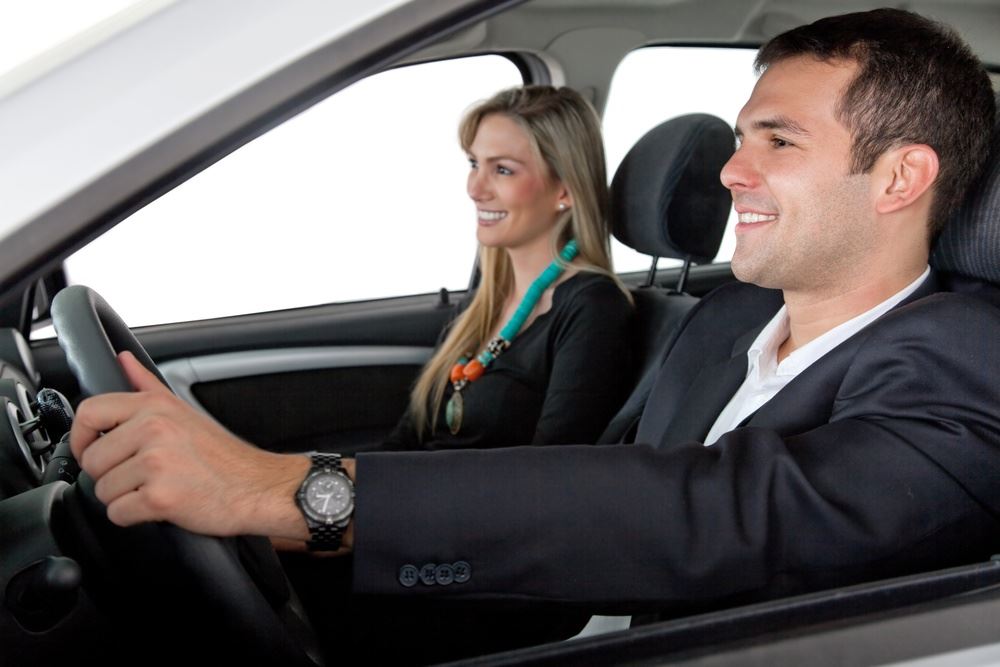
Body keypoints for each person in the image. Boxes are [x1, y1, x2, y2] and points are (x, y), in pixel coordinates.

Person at [70, 4, 1000, 640]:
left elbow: (713, 511)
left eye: (779, 141)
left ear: (901, 177)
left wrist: (294, 494)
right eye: (740, 134)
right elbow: (597, 479)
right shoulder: (728, 318)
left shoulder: (966, 365)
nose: (728, 171)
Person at [380, 85, 633, 452]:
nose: (474, 188)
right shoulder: (482, 305)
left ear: (565, 190)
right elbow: (403, 443)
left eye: (502, 169)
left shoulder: (594, 308)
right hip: (414, 500)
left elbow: (546, 475)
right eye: (473, 164)